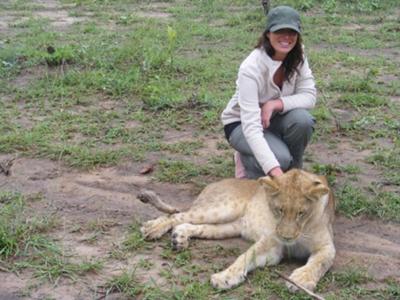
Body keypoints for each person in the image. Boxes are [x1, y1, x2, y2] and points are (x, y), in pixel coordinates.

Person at [221, 5, 316, 179]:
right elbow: (251, 127)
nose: (286, 37)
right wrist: (276, 173)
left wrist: (275, 104)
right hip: (241, 124)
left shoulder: (298, 55)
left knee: (303, 120)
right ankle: (248, 161)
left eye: (292, 32)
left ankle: (295, 174)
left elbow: (309, 96)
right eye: (280, 31)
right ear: (268, 34)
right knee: (279, 159)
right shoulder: (250, 68)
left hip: (273, 119)